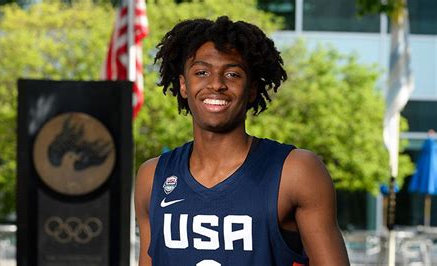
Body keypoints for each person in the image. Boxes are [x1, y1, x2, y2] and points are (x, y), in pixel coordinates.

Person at [135, 16, 349, 266]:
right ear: (183, 85)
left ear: (251, 89)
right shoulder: (153, 177)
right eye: (201, 72)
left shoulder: (296, 171)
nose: (216, 84)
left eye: (233, 74)